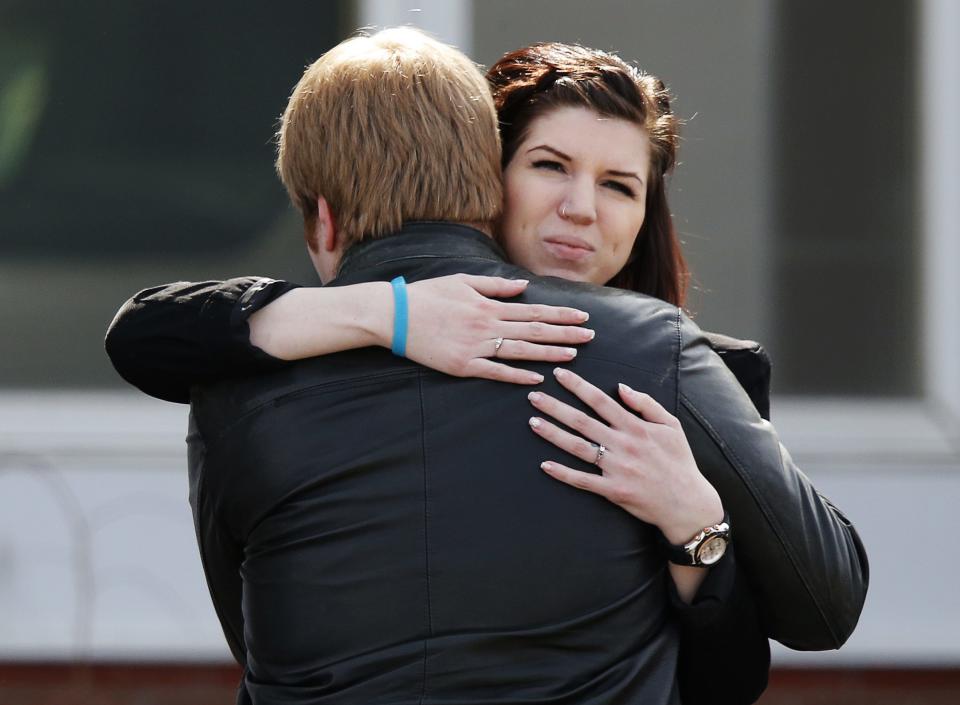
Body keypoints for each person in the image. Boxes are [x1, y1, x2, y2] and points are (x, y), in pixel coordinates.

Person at [106, 31, 866, 703]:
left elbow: (741, 665)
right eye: (548, 165)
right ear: (482, 176)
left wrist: (697, 523)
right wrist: (393, 314)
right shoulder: (653, 348)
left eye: (619, 185)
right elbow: (147, 332)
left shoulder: (670, 360)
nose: (580, 209)